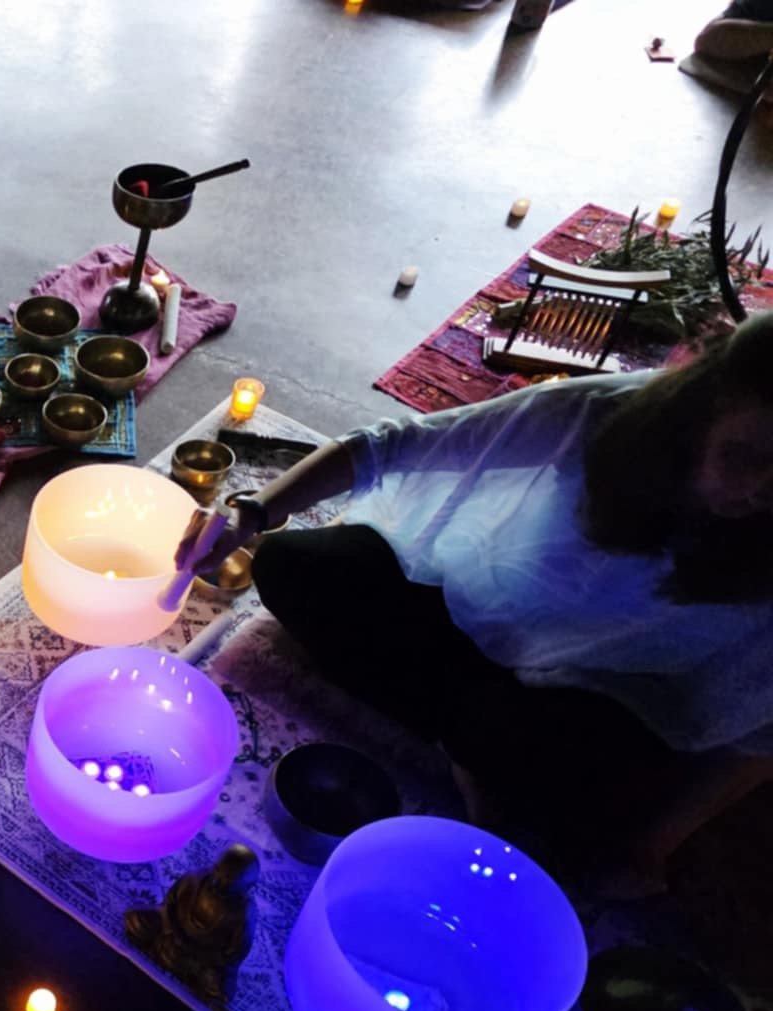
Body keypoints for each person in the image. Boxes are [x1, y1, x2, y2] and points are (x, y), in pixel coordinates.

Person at [181, 315, 773, 898]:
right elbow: (393, 446)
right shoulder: (609, 416)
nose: (756, 489)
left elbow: (756, 729)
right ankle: (468, 741)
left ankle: (468, 735)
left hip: (600, 690)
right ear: (705, 409)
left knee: (577, 790)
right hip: (484, 606)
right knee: (291, 566)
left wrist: (651, 848)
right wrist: (252, 514)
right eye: (743, 455)